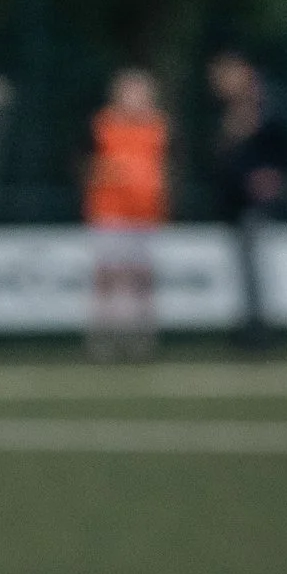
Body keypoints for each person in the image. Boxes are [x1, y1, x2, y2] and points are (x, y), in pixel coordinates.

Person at [206, 48, 287, 350]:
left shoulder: (264, 109)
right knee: (245, 267)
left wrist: (273, 175)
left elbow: (282, 150)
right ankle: (251, 325)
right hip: (235, 201)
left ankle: (257, 329)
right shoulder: (228, 113)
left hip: (253, 203)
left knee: (252, 266)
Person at [83, 63, 170, 359]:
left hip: (145, 215)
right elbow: (84, 164)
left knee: (142, 278)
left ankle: (142, 339)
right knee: (107, 276)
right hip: (110, 212)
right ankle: (104, 339)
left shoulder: (159, 126)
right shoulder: (102, 125)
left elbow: (167, 170)